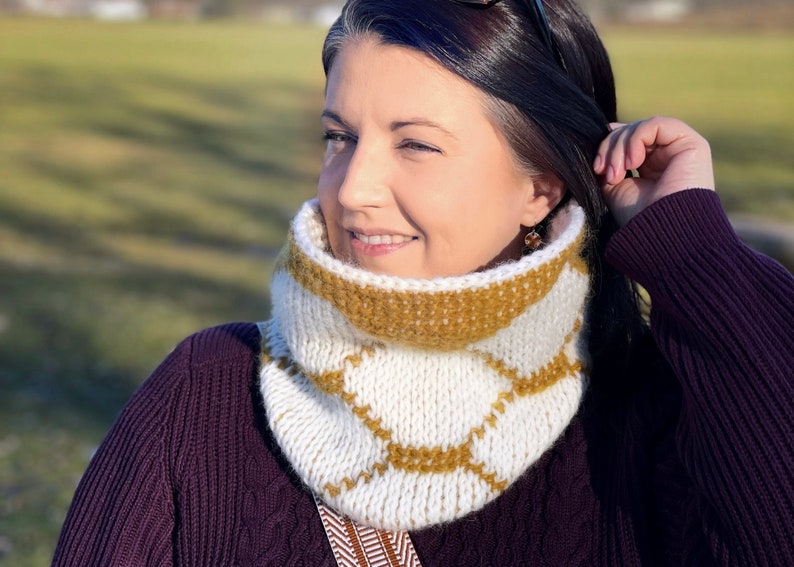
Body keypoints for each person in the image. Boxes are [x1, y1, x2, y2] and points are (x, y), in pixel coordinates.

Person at [53, 0, 793, 565]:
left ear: (541, 187)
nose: (352, 190)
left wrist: (695, 258)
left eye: (415, 144)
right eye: (339, 138)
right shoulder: (206, 397)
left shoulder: (652, 416)